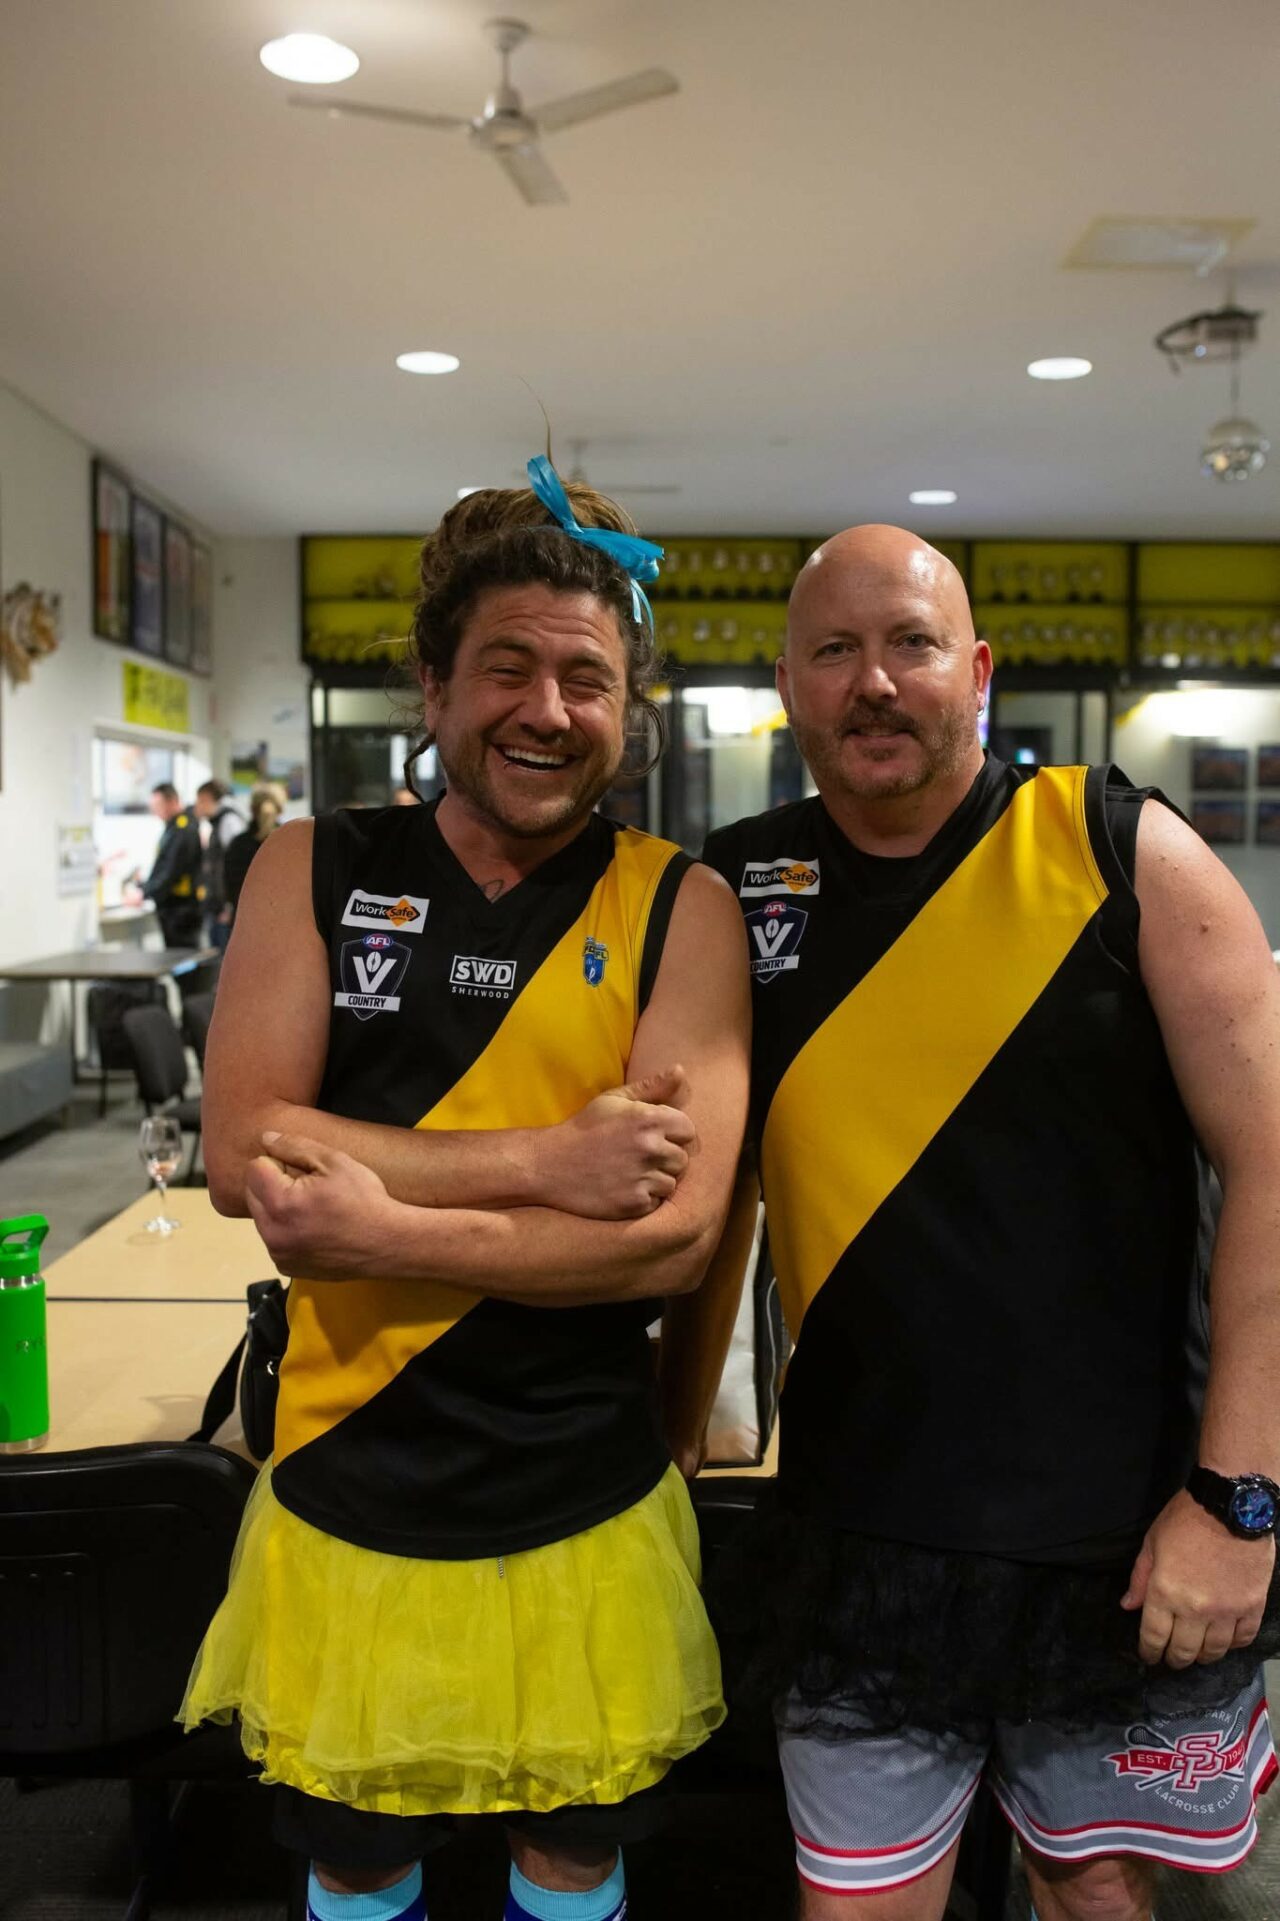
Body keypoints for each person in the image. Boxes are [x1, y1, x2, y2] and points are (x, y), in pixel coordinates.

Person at [676, 524, 1280, 1921]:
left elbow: (1269, 1165)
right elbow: (706, 1196)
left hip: (1124, 1540)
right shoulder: (737, 887)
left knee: (1096, 1894)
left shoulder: (1121, 847)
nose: (874, 682)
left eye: (911, 643)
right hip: (856, 1528)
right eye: (834, 650)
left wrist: (1241, 1499)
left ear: (980, 669)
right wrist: (669, 1438)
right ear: (787, 683)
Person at [182, 462, 751, 1921]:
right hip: (345, 1476)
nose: (546, 710)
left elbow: (672, 1241)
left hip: (585, 1489)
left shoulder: (680, 902)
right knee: (357, 1858)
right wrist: (551, 1165)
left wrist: (379, 1223)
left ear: (627, 710)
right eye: (506, 667)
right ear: (433, 687)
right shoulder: (312, 865)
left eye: (587, 678)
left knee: (571, 1860)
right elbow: (247, 1148)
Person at [125, 781, 202, 947]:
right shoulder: (173, 827)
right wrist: (144, 885)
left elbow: (171, 870)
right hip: (172, 907)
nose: (156, 811)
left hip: (181, 909)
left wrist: (145, 893)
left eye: (158, 806)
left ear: (172, 801)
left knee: (183, 956)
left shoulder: (183, 828)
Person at [222, 782, 285, 924]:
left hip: (246, 923)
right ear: (281, 809)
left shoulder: (238, 845)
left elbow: (230, 889)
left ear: (251, 809)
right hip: (284, 923)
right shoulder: (292, 842)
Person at [194, 777, 246, 951]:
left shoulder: (229, 821)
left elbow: (236, 868)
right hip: (218, 908)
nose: (197, 806)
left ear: (208, 798)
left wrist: (229, 906)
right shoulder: (218, 822)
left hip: (225, 910)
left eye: (200, 801)